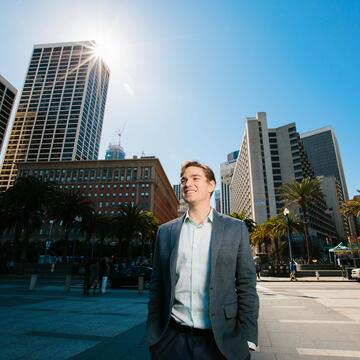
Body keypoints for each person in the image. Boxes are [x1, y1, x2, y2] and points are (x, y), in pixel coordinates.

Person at [146, 161, 259, 360]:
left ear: (211, 185)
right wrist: (154, 334)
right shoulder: (166, 232)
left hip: (221, 341)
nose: (187, 183)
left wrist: (248, 338)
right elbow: (157, 285)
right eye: (184, 180)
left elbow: (246, 285)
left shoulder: (236, 228)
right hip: (171, 340)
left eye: (195, 178)